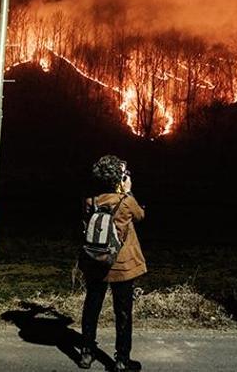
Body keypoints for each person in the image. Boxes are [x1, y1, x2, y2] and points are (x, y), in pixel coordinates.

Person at [78, 155, 146, 371]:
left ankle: (86, 353)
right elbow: (140, 216)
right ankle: (121, 360)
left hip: (95, 262)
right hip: (121, 265)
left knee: (92, 306)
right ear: (119, 179)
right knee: (123, 311)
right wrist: (127, 190)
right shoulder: (126, 202)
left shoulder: (92, 201)